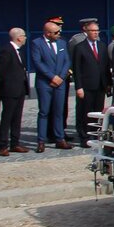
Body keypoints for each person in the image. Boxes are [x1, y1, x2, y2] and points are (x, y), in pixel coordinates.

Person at [30, 20, 72, 152]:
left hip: (60, 82)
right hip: (45, 83)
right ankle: (41, 140)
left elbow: (66, 61)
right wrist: (52, 76)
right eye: (56, 32)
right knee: (44, 112)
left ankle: (60, 138)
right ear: (47, 33)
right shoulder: (37, 43)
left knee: (59, 111)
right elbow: (37, 62)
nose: (59, 34)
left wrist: (61, 76)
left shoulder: (62, 43)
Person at [71, 20, 109, 148]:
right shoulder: (80, 47)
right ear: (86, 32)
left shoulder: (102, 46)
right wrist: (78, 87)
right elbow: (77, 69)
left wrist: (108, 83)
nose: (95, 33)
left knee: (98, 112)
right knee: (85, 112)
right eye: (93, 31)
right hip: (86, 86)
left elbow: (105, 66)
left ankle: (96, 134)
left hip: (100, 85)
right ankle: (84, 136)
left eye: (97, 31)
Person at [0, 28, 29, 156]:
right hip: (9, 90)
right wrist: (1, 87)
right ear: (19, 37)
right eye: (24, 36)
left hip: (20, 88)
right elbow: (1, 72)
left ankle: (15, 143)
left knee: (17, 117)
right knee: (7, 117)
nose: (25, 38)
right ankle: (3, 144)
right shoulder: (6, 50)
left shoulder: (20, 51)